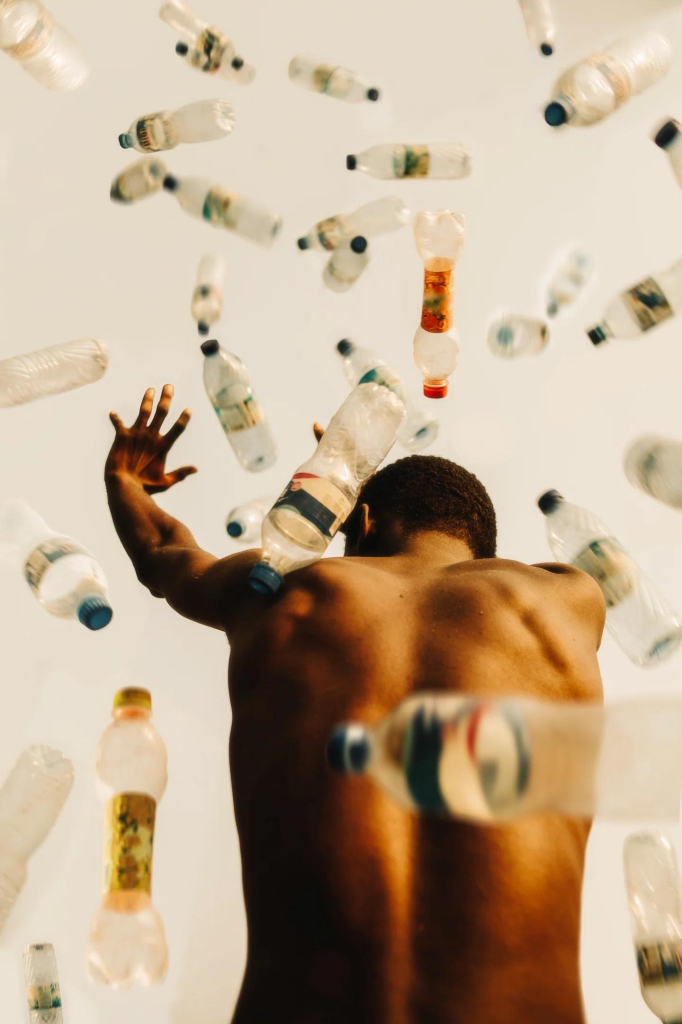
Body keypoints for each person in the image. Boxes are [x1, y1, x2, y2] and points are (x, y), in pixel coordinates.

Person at [105, 383, 605, 1024]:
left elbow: (163, 556)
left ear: (356, 522)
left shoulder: (283, 594)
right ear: (486, 550)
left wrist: (126, 480)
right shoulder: (565, 600)